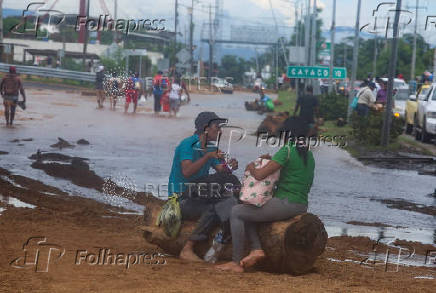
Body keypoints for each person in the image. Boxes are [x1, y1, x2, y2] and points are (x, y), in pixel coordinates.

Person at [216, 117, 315, 273]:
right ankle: (256, 249)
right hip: (301, 204)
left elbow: (260, 175)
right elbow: (299, 177)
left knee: (236, 212)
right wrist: (272, 160)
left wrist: (250, 167)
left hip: (286, 203)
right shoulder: (308, 154)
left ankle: (236, 262)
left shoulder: (287, 150)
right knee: (249, 209)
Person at [168, 112, 239, 262]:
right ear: (206, 128)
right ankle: (188, 248)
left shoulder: (211, 146)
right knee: (215, 208)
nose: (220, 131)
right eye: (217, 127)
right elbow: (186, 171)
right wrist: (207, 157)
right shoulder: (188, 144)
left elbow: (222, 171)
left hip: (199, 195)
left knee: (230, 191)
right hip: (180, 199)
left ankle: (219, 243)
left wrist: (230, 166)